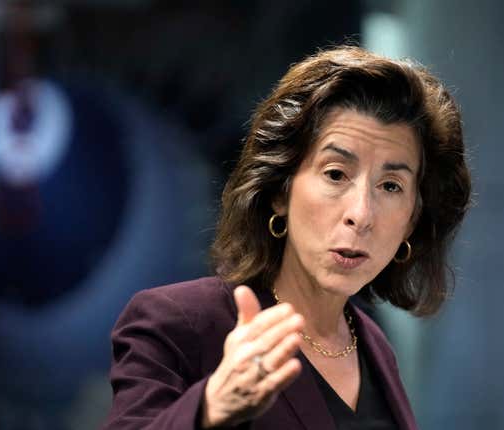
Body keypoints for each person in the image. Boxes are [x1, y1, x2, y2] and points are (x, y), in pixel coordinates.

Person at [102, 45, 471, 430]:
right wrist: (211, 407)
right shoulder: (178, 323)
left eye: (391, 186)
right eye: (335, 174)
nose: (360, 215)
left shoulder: (373, 344)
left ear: (412, 219)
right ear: (280, 191)